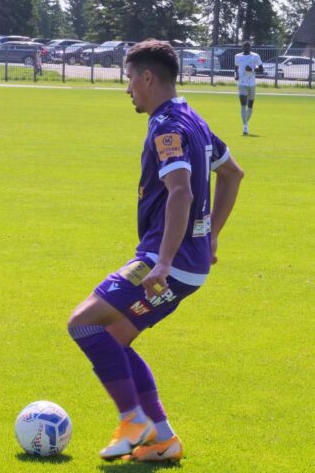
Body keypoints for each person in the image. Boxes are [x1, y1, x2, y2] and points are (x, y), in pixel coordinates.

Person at [67, 40, 245, 462]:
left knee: (83, 324)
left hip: (165, 262)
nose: (127, 88)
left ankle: (133, 420)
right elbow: (233, 175)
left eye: (130, 78)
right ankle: (163, 439)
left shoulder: (166, 127)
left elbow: (181, 192)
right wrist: (211, 236)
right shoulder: (193, 119)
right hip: (190, 263)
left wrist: (163, 260)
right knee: (114, 339)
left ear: (147, 78)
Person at [234, 41, 263, 136]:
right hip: (242, 83)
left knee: (250, 106)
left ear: (250, 47)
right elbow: (236, 67)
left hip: (252, 84)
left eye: (248, 46)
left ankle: (246, 123)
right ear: (242, 47)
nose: (246, 48)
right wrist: (236, 75)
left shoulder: (255, 56)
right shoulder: (238, 56)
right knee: (243, 105)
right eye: (245, 46)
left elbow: (262, 69)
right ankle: (245, 127)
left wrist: (252, 69)